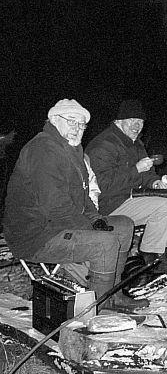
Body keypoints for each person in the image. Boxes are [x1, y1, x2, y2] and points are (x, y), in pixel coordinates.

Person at [2, 99, 147, 311]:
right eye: (71, 121)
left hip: (57, 225)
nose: (77, 129)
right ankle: (96, 309)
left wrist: (96, 220)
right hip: (35, 234)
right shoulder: (43, 150)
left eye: (82, 124)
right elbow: (56, 207)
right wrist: (91, 229)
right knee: (104, 244)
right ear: (54, 120)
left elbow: (83, 196)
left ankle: (113, 295)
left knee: (124, 225)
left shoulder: (72, 149)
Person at [86, 99, 167, 276]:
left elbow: (146, 174)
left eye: (140, 122)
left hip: (131, 197)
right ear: (118, 121)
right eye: (132, 120)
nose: (137, 125)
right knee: (164, 207)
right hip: (109, 205)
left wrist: (156, 183)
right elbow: (103, 186)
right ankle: (151, 259)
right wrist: (136, 169)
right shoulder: (104, 145)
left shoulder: (136, 143)